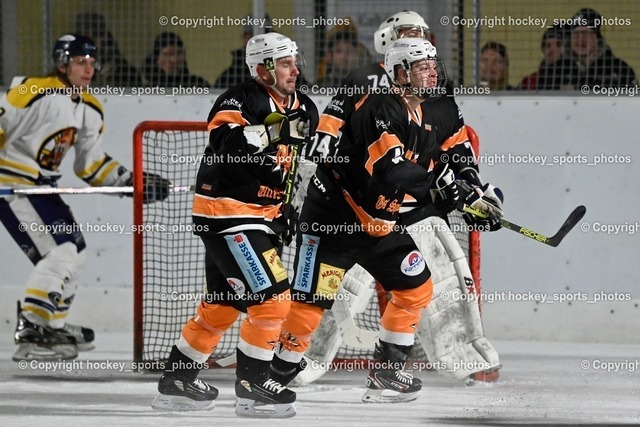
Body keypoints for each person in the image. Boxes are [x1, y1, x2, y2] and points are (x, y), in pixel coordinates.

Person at [284, 10, 503, 388]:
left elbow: (458, 151)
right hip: (354, 208)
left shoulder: (438, 95)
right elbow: (345, 142)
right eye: (410, 37)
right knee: (326, 293)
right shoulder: (373, 91)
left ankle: (440, 359)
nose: (427, 57)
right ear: (395, 56)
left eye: (424, 38)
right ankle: (289, 363)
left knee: (434, 283)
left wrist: (473, 192)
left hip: (406, 211)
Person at [151, 32, 318, 417]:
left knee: (223, 304)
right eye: (286, 63)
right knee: (273, 301)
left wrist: (286, 208)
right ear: (262, 68)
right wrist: (275, 131)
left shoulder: (304, 107)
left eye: (295, 61)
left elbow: (292, 166)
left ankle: (177, 380)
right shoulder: (239, 99)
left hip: (259, 217)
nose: (295, 69)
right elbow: (224, 142)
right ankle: (253, 386)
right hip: (227, 215)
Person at [0, 34, 170, 362]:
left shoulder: (90, 108)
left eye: (92, 62)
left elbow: (90, 165)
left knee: (75, 252)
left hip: (43, 188)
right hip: (12, 185)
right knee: (60, 253)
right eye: (80, 62)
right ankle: (33, 326)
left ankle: (53, 325)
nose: (88, 68)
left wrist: (133, 181)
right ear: (62, 64)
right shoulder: (32, 89)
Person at [550, 8, 636, 89]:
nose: (581, 39)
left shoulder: (619, 69)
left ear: (597, 39)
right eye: (576, 33)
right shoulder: (557, 70)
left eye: (587, 33)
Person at [74, 12, 143, 87]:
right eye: (86, 36)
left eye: (96, 34)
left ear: (103, 38)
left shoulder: (125, 71)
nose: (91, 40)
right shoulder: (69, 69)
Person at [142, 32, 210, 88]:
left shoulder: (198, 85)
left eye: (179, 53)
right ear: (157, 58)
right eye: (167, 54)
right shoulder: (149, 90)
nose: (174, 60)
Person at [519, 25, 569, 90]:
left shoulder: (577, 77)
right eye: (548, 45)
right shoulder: (530, 81)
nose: (551, 50)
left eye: (558, 45)